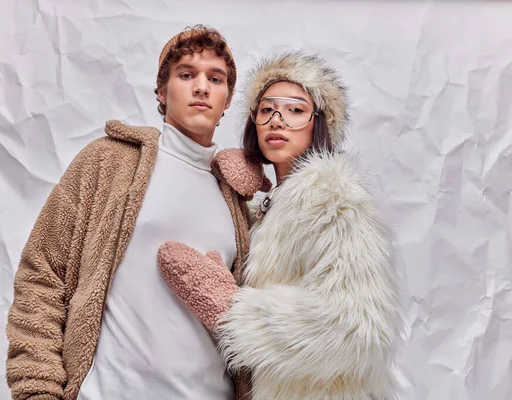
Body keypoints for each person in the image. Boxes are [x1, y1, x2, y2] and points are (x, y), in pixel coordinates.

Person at [5, 25, 268, 400]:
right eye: (186, 74)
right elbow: (43, 274)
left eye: (216, 78)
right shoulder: (108, 163)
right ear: (161, 91)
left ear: (227, 100)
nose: (201, 87)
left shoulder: (236, 201)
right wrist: (38, 389)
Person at [158, 51, 403, 399]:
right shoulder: (270, 206)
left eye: (295, 110)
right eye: (266, 109)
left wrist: (231, 310)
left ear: (318, 123)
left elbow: (361, 328)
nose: (277, 120)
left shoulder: (332, 196)